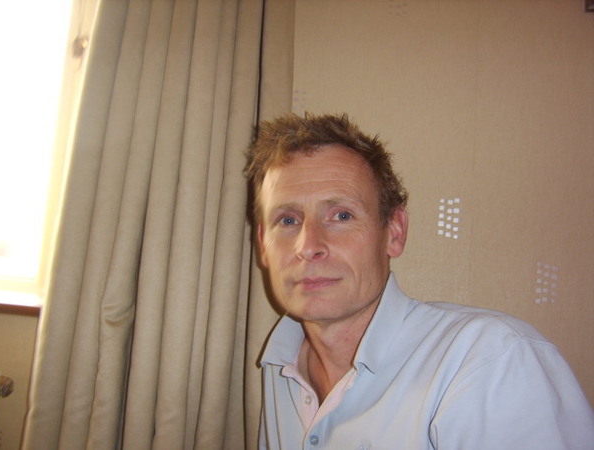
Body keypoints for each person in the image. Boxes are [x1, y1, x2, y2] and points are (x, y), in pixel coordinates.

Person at [245, 113, 594, 449]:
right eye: (287, 220)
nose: (308, 247)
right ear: (263, 245)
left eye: (342, 215)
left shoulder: (490, 362)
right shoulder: (281, 367)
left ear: (394, 233)